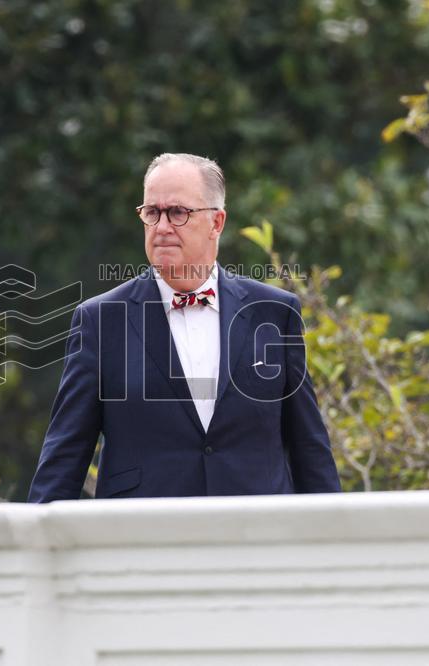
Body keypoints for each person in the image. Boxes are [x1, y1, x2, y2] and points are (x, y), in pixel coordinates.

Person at [28, 153, 340, 501]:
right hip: (143, 540)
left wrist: (331, 542)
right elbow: (63, 459)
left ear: (217, 222)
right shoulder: (100, 320)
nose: (161, 227)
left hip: (256, 539)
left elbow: (309, 450)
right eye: (151, 213)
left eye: (178, 212)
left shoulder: (273, 313)